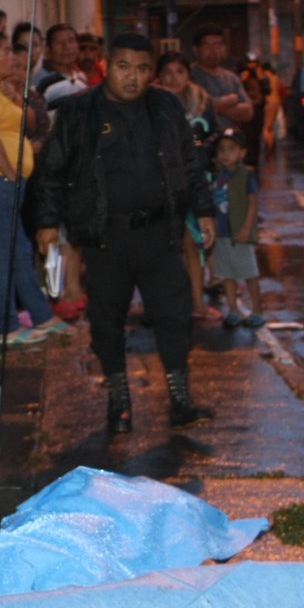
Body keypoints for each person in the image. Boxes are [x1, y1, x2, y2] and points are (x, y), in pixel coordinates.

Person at [32, 33, 217, 435]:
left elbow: (190, 162)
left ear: (151, 73)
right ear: (106, 66)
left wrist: (204, 210)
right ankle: (118, 401)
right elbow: (51, 173)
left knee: (174, 315)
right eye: (123, 67)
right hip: (105, 236)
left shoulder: (165, 106)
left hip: (159, 233)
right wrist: (46, 223)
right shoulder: (79, 111)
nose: (132, 76)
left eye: (141, 68)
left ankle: (181, 400)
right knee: (106, 321)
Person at [0, 30, 71, 345]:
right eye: (6, 52)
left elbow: (30, 122)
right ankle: (8, 326)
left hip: (7, 181)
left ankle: (42, 316)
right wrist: (11, 174)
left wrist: (14, 98)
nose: (13, 57)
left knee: (20, 251)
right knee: (4, 254)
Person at [154, 51, 220, 322]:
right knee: (159, 249)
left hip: (196, 182)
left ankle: (197, 303)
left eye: (179, 72)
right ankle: (158, 306)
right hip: (160, 186)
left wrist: (203, 151)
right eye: (167, 73)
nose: (174, 78)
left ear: (188, 75)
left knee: (194, 243)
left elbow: (215, 136)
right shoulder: (150, 103)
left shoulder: (202, 101)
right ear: (158, 76)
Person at [35, 23, 89, 320]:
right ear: (48, 48)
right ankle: (61, 292)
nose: (68, 47)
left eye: (72, 41)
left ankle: (74, 288)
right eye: (60, 42)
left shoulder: (81, 79)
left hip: (80, 165)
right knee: (56, 230)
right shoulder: (42, 82)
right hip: (56, 164)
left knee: (75, 227)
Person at [211, 128, 265, 329]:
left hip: (239, 233)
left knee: (249, 273)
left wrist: (246, 229)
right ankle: (232, 309)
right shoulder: (216, 174)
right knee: (227, 274)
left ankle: (257, 310)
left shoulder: (246, 174)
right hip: (221, 232)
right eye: (222, 149)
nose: (225, 154)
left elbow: (253, 203)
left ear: (242, 152)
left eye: (232, 149)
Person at [190, 24, 253, 131]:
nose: (213, 50)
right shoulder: (189, 75)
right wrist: (230, 100)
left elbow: (248, 112)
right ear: (195, 49)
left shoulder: (232, 78)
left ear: (224, 48)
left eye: (218, 45)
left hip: (230, 139)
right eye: (207, 45)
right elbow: (195, 108)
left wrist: (216, 107)